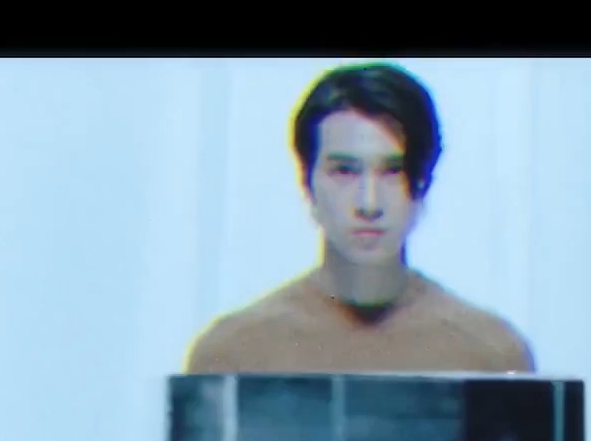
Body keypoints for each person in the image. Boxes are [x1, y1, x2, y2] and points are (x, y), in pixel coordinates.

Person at [183, 62, 535, 374]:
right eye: (344, 171)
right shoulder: (233, 353)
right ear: (308, 186)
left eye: (392, 171)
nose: (368, 202)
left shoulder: (492, 355)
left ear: (422, 186)